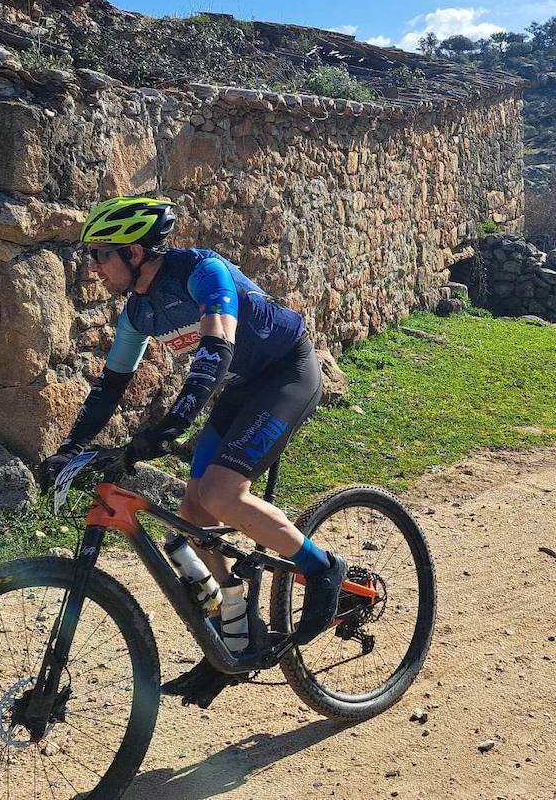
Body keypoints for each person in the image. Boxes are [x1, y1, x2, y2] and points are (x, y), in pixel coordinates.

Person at [38, 196, 344, 703]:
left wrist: (174, 424)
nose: (93, 267)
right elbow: (110, 388)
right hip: (241, 389)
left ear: (135, 252)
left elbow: (216, 349)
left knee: (222, 494)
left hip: (286, 373)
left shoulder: (203, 272)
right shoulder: (138, 312)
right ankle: (237, 629)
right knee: (193, 516)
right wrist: (70, 448)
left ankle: (322, 568)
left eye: (100, 254)